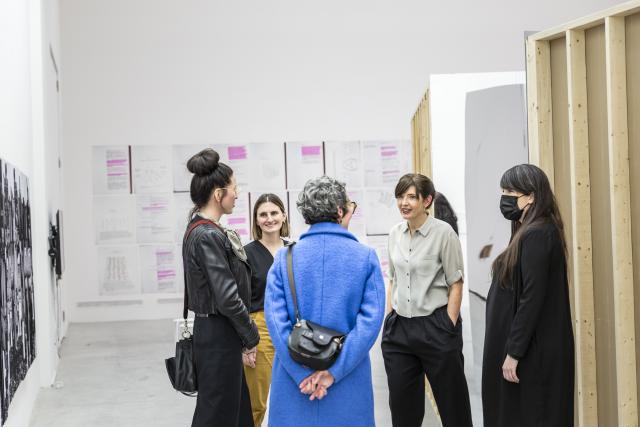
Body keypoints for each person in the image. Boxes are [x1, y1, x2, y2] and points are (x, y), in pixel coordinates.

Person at [264, 176, 385, 427]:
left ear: (306, 214)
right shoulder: (365, 257)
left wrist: (302, 376)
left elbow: (276, 325)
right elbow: (369, 323)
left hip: (295, 384)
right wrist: (333, 372)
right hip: (347, 382)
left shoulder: (283, 258)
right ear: (340, 210)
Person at [482, 164, 574, 427]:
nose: (505, 197)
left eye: (510, 191)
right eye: (503, 190)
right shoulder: (528, 231)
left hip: (532, 351)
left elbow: (532, 298)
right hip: (527, 347)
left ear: (531, 196)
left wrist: (514, 352)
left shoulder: (537, 234)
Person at [382, 173, 472, 427]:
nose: (404, 203)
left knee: (453, 406)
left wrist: (449, 323)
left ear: (427, 200)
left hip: (436, 326)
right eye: (400, 196)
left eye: (411, 197)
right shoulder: (394, 234)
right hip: (399, 330)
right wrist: (390, 317)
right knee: (402, 410)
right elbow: (393, 278)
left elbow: (456, 281)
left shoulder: (444, 234)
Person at [182, 148, 259, 427]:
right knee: (216, 416)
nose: (237, 195)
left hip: (218, 334)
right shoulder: (208, 236)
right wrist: (250, 335)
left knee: (234, 412)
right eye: (234, 189)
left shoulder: (201, 229)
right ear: (218, 194)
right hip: (218, 336)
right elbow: (227, 297)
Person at [243, 193, 291, 426]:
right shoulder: (245, 254)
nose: (269, 218)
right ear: (256, 220)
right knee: (256, 402)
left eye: (274, 213)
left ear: (284, 215)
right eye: (263, 214)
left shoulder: (295, 250)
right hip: (259, 329)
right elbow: (239, 300)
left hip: (292, 330)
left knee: (294, 397)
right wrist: (246, 342)